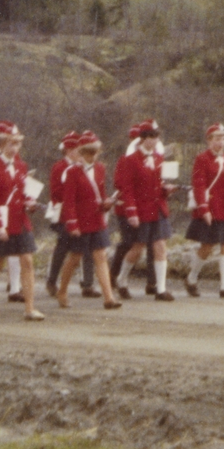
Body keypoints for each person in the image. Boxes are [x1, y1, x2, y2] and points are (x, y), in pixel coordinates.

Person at [0, 123, 44, 321]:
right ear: (1, 145)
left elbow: (23, 193)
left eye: (16, 144)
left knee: (27, 261)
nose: (14, 148)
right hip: (3, 222)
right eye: (10, 144)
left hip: (20, 220)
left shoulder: (21, 166)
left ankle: (30, 308)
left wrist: (30, 203)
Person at [56, 132, 121, 308]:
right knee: (75, 258)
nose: (92, 156)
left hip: (96, 218)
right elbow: (68, 201)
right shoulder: (72, 172)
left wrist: (107, 203)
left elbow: (101, 192)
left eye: (95, 152)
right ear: (81, 152)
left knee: (100, 256)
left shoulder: (100, 168)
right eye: (89, 152)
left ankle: (109, 297)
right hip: (80, 221)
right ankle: (62, 290)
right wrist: (72, 224)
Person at [114, 119, 176, 301]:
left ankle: (161, 289)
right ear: (141, 139)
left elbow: (158, 184)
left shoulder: (159, 158)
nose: (152, 140)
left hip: (157, 208)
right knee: (138, 248)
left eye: (155, 136)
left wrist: (166, 190)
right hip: (141, 209)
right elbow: (127, 188)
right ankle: (122, 279)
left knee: (160, 246)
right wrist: (131, 212)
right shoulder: (130, 160)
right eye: (148, 136)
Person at [185, 123, 224, 298]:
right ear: (209, 141)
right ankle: (191, 278)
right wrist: (204, 208)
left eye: (223, 139)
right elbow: (199, 185)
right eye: (217, 139)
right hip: (209, 206)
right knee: (207, 246)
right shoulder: (202, 158)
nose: (221, 142)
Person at [46, 132, 97, 299]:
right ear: (68, 150)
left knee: (88, 248)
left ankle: (87, 283)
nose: (80, 153)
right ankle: (52, 280)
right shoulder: (59, 167)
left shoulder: (83, 168)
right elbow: (56, 192)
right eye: (76, 149)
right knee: (63, 247)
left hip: (84, 212)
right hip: (64, 213)